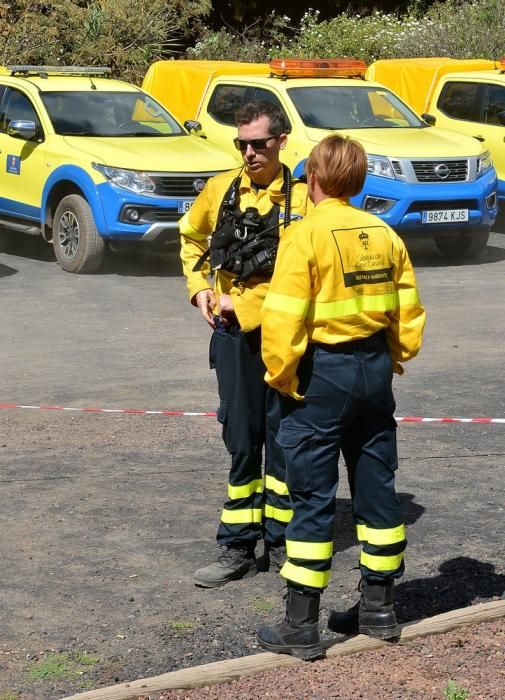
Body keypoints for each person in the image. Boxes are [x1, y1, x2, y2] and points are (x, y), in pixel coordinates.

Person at [256, 134, 426, 659]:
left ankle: (301, 626)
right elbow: (408, 314)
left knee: (311, 493)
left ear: (318, 179)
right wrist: (390, 358)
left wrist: (282, 377)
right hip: (375, 370)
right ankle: (379, 610)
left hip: (321, 375)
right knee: (377, 487)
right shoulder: (384, 233)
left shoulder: (304, 236)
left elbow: (283, 318)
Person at [179, 101, 312, 588]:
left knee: (282, 441)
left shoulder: (303, 200)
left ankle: (280, 543)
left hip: (286, 337)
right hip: (233, 339)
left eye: (259, 143)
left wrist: (251, 308)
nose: (250, 153)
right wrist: (199, 290)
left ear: (281, 140)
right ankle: (237, 546)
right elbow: (190, 240)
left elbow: (314, 269)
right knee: (241, 440)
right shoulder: (220, 190)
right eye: (242, 144)